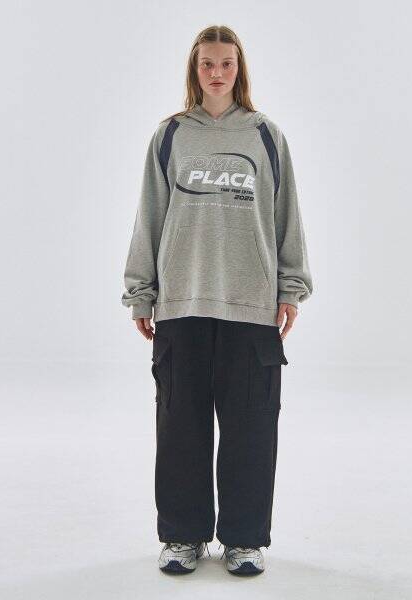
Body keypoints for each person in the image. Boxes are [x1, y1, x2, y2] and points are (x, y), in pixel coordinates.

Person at [121, 24, 313, 576]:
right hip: (181, 303)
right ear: (195, 68)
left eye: (227, 63)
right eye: (207, 63)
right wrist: (141, 293)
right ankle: (183, 537)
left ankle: (244, 540)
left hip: (251, 305)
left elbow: (287, 216)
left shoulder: (267, 136)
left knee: (251, 428)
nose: (217, 73)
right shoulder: (170, 136)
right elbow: (149, 216)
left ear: (239, 68)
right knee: (180, 427)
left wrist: (291, 287)